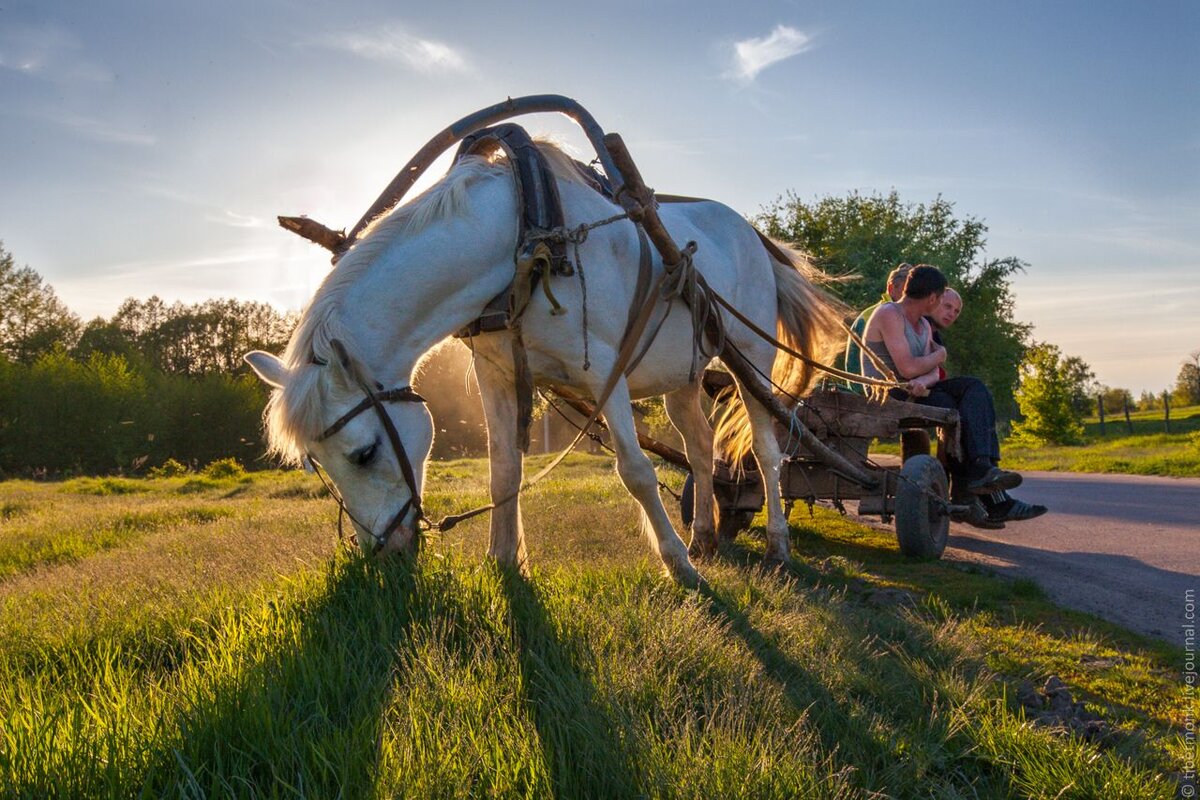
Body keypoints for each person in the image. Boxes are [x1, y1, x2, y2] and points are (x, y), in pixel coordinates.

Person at [861, 265, 1046, 523]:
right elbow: (907, 367)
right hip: (890, 394)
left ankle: (983, 467)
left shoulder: (924, 325)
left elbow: (934, 372)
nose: (945, 308)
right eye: (942, 300)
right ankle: (982, 498)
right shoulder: (889, 314)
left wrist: (926, 377)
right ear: (933, 297)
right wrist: (939, 355)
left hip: (917, 391)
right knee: (955, 408)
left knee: (974, 389)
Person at [844, 263, 913, 392]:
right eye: (906, 292)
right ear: (891, 288)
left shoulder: (898, 316)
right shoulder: (880, 316)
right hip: (867, 392)